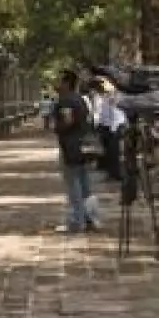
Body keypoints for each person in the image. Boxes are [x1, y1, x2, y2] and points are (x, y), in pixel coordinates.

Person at [53, 69, 101, 233]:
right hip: (83, 146)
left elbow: (67, 121)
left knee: (73, 184)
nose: (56, 83)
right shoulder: (81, 99)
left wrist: (58, 128)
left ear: (66, 83)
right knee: (85, 184)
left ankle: (76, 220)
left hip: (71, 147)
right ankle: (91, 218)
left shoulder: (66, 100)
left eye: (59, 80)